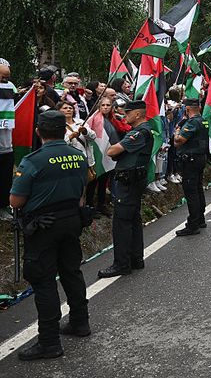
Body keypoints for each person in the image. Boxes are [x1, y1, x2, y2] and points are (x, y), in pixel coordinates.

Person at [10, 110, 90, 360]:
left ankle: (49, 342)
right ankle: (80, 322)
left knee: (43, 280)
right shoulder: (78, 155)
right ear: (62, 130)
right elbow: (82, 191)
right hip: (72, 220)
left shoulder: (33, 160)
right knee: (71, 271)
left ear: (38, 132)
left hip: (43, 226)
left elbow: (16, 200)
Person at [98, 100, 154, 278]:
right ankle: (136, 258)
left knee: (122, 223)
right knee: (133, 219)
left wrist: (115, 148)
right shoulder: (139, 131)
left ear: (137, 114)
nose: (124, 116)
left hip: (128, 182)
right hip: (133, 180)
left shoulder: (140, 132)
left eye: (127, 113)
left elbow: (112, 151)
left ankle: (122, 263)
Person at [173, 99, 208, 235]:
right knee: (198, 189)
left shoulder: (192, 122)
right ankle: (200, 218)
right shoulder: (203, 120)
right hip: (199, 158)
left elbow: (179, 140)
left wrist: (177, 131)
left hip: (191, 160)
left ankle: (193, 224)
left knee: (191, 192)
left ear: (187, 110)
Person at [0, 60, 16, 219]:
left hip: (6, 146)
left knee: (5, 179)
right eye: (3, 77)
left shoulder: (10, 88)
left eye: (7, 77)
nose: (6, 81)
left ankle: (3, 206)